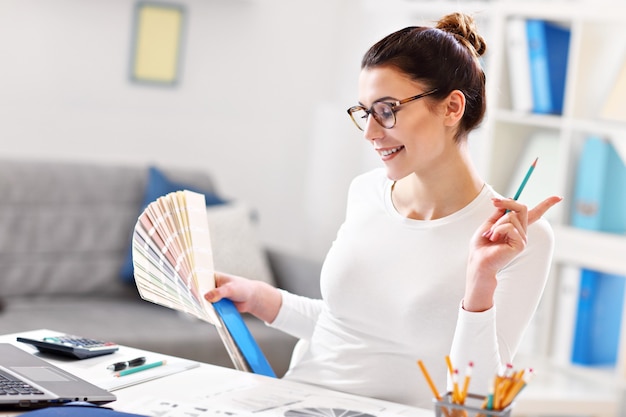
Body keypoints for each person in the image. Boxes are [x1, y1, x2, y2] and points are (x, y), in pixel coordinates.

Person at [205, 12, 561, 409]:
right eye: (365, 112)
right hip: (293, 401)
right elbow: (350, 326)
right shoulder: (366, 192)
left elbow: (477, 401)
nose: (372, 133)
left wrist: (480, 283)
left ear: (451, 108)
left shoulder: (517, 241)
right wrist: (260, 299)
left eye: (387, 110)